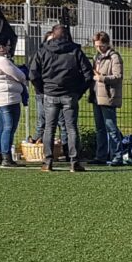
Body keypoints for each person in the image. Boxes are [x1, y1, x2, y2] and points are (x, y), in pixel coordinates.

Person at [29, 24, 93, 172]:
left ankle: (48, 162)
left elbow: (33, 74)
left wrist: (42, 89)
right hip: (70, 94)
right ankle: (74, 161)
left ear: (53, 34)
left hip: (50, 94)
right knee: (71, 128)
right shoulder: (75, 50)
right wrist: (79, 91)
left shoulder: (43, 50)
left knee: (49, 128)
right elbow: (88, 74)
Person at [0, 45, 28, 167]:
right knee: (9, 128)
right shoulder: (1, 60)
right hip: (7, 97)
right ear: (1, 46)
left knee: (0, 128)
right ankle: (6, 157)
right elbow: (20, 76)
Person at [89, 31, 124, 165]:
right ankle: (101, 156)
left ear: (107, 44)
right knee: (100, 129)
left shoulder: (114, 57)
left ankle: (117, 156)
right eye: (96, 46)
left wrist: (102, 78)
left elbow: (118, 76)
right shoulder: (96, 57)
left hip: (108, 97)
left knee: (111, 128)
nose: (99, 48)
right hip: (96, 96)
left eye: (101, 46)